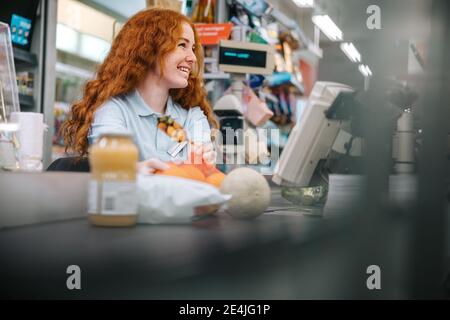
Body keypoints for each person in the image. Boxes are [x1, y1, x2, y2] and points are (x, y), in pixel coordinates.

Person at [61, 8, 218, 173]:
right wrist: (135, 171)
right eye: (182, 45)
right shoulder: (113, 111)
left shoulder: (192, 118)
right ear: (149, 49)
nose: (192, 58)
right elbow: (111, 165)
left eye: (192, 48)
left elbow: (203, 173)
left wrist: (203, 162)